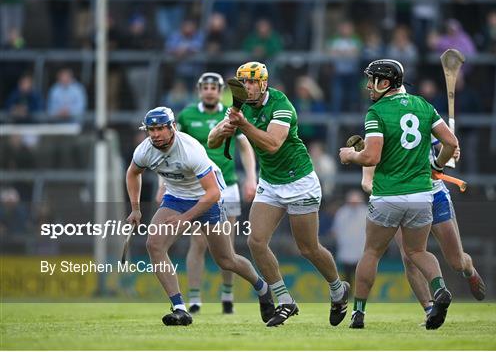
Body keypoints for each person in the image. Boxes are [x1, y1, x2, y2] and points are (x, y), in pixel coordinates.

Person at [208, 62, 349, 327]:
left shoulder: (282, 105)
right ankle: (285, 301)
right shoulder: (241, 108)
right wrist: (224, 128)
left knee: (308, 248)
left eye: (252, 82)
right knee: (255, 241)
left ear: (263, 84)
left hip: (300, 181)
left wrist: (243, 125)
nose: (247, 88)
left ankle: (338, 289)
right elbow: (212, 142)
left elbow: (272, 144)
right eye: (243, 83)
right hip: (271, 182)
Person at [126, 107, 274, 326]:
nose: (155, 134)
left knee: (226, 260)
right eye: (151, 130)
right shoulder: (144, 150)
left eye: (160, 129)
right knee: (154, 244)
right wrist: (136, 208)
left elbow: (213, 193)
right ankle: (179, 308)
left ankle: (262, 287)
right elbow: (132, 173)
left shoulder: (190, 150)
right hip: (176, 197)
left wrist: (185, 218)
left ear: (172, 127)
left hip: (208, 197)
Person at [339, 59, 458, 330]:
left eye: (373, 80)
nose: (368, 85)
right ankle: (439, 289)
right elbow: (451, 143)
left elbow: (372, 156)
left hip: (388, 196)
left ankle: (358, 314)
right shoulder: (424, 106)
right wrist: (437, 166)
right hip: (420, 196)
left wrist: (349, 155)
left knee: (371, 252)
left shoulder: (376, 112)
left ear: (386, 83)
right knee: (418, 251)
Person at [156, 72, 257, 315]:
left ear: (220, 90)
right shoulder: (187, 115)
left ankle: (227, 295)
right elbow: (168, 151)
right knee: (198, 241)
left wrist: (251, 177)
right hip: (194, 188)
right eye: (205, 87)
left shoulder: (230, 114)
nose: (210, 91)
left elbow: (245, 146)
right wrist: (162, 184)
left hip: (228, 185)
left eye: (214, 87)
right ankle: (194, 298)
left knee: (226, 247)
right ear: (199, 90)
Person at [361, 138, 486, 320]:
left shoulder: (423, 115)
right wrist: (385, 193)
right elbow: (367, 181)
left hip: (434, 195)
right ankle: (430, 311)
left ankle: (469, 269)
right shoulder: (379, 127)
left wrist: (450, 151)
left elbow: (445, 145)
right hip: (399, 198)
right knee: (409, 257)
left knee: (456, 262)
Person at [331, 190, 368, 290]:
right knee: (347, 274)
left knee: (361, 273)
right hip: (346, 247)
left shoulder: (366, 212)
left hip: (361, 248)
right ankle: (348, 293)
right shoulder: (342, 212)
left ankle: (361, 292)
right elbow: (335, 230)